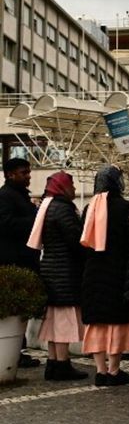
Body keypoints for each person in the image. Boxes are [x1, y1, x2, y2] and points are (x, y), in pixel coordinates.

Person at [80, 165, 129, 386]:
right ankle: (114, 370)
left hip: (93, 271)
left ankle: (100, 370)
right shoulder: (124, 208)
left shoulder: (88, 209)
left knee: (96, 322)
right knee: (115, 322)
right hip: (117, 271)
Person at [27, 171, 88, 380]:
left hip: (51, 268)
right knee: (64, 321)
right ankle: (62, 364)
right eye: (71, 185)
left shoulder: (47, 206)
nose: (74, 189)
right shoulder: (63, 208)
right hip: (65, 271)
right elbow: (74, 239)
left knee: (53, 320)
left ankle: (52, 363)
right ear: (63, 187)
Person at [0, 157, 41, 368]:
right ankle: (16, 351)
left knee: (21, 309)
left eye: (28, 172)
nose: (28, 176)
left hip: (23, 259)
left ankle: (19, 350)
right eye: (23, 172)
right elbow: (6, 224)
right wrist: (35, 219)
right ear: (10, 174)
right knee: (15, 310)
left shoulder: (19, 196)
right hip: (13, 260)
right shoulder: (6, 196)